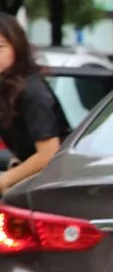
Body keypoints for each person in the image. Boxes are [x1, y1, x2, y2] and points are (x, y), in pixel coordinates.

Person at [0, 14, 70, 193]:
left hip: (54, 187)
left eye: (0, 47)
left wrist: (6, 180)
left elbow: (49, 154)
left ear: (18, 48)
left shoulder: (32, 92)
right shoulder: (8, 87)